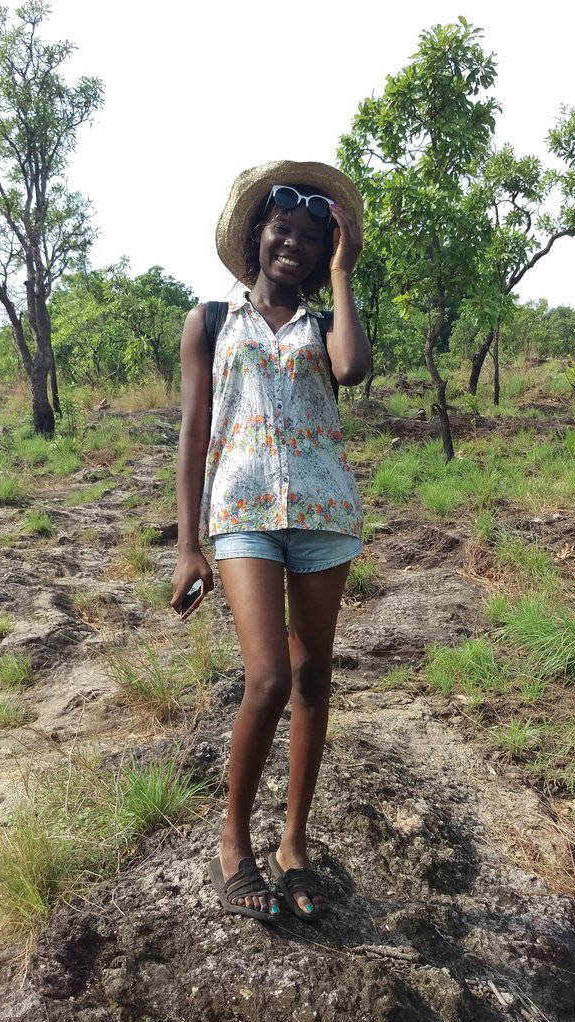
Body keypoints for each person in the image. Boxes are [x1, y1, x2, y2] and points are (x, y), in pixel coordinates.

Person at [171, 161, 371, 924]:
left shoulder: (325, 329)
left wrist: (344, 274)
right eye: (281, 229)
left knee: (314, 676)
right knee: (267, 680)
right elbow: (194, 435)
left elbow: (352, 370)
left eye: (312, 239)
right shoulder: (211, 322)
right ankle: (233, 844)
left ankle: (293, 843)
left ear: (324, 255)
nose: (292, 243)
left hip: (323, 514)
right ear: (256, 235)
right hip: (243, 512)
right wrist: (188, 546)